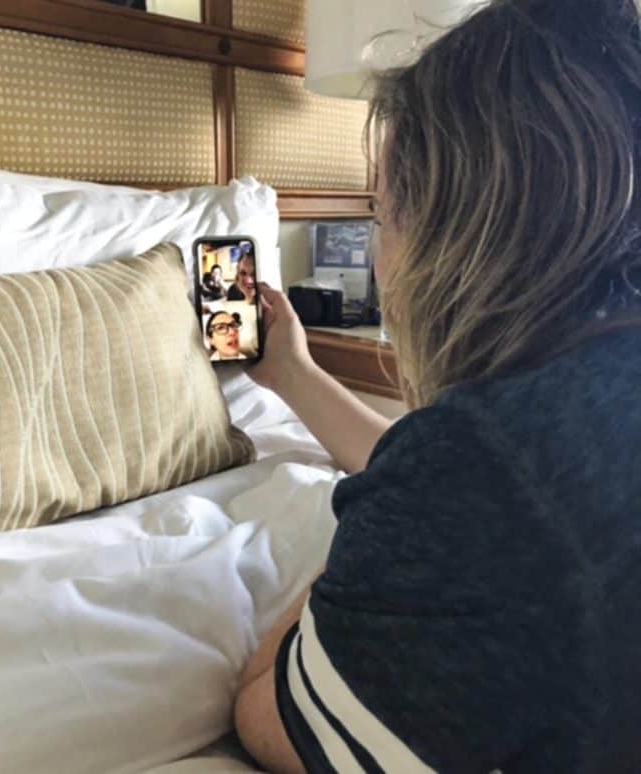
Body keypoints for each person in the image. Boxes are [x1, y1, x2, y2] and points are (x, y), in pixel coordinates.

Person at [233, 1, 641, 772]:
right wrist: (293, 375)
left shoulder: (475, 477)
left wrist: (380, 530)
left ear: (456, 233)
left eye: (381, 214)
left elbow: (274, 718)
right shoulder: (560, 415)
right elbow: (507, 469)